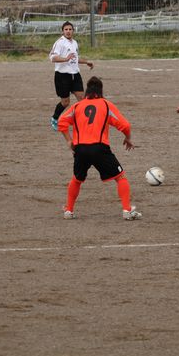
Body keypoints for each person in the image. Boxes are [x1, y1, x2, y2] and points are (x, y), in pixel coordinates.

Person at [57, 76, 141, 220]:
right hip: (99, 148)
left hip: (80, 149)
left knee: (76, 179)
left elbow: (61, 122)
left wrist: (69, 140)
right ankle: (127, 210)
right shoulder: (106, 105)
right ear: (100, 91)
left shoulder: (77, 106)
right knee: (120, 177)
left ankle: (69, 211)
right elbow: (125, 125)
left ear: (87, 91)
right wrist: (127, 138)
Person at [49, 21, 93, 130]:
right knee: (65, 102)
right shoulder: (59, 43)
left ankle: (83, 121)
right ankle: (55, 118)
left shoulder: (74, 43)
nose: (68, 31)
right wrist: (65, 59)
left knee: (82, 99)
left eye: (70, 29)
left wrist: (86, 62)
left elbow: (75, 58)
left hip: (75, 75)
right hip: (62, 76)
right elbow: (53, 58)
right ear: (62, 31)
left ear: (73, 31)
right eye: (66, 29)